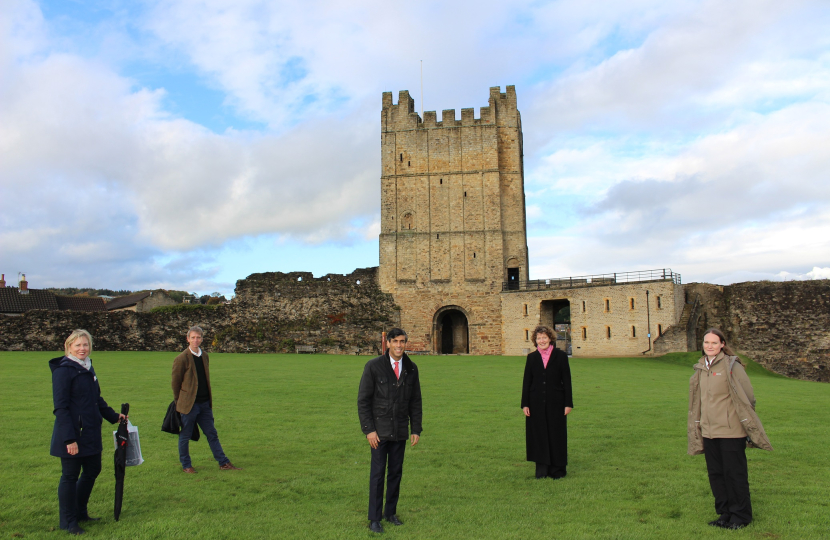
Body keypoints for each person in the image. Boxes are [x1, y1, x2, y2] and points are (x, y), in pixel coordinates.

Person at [688, 328, 772, 530]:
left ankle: (741, 516)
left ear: (722, 344)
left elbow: (749, 397)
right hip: (708, 431)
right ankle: (725, 513)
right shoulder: (700, 367)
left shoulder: (731, 366)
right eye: (706, 342)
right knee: (716, 475)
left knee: (735, 474)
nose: (709, 346)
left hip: (731, 430)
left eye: (714, 343)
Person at [50, 329, 127, 535]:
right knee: (70, 476)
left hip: (91, 432)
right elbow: (61, 408)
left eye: (85, 345)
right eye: (78, 345)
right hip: (73, 434)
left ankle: (80, 511)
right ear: (69, 347)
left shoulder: (88, 367)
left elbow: (96, 399)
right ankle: (68, 521)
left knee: (93, 470)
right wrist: (69, 439)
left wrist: (113, 416)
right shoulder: (63, 370)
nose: (82, 349)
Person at [357, 328, 423, 534]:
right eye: (395, 341)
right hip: (379, 430)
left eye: (402, 341)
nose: (399, 346)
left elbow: (415, 401)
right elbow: (363, 400)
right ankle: (374, 518)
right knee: (377, 475)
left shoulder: (411, 368)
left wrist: (416, 429)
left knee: (395, 473)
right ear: (388, 343)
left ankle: (390, 512)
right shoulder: (374, 366)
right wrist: (369, 430)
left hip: (400, 429)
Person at [171, 326, 241, 473]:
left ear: (202, 339)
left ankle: (223, 463)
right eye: (193, 337)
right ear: (188, 339)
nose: (196, 340)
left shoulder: (205, 356)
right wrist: (180, 402)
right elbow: (175, 383)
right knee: (185, 435)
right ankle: (186, 465)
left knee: (211, 433)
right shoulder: (181, 358)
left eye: (199, 337)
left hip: (204, 404)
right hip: (188, 404)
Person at [521, 325, 573, 479]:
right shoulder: (531, 358)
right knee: (539, 435)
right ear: (535, 341)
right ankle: (542, 470)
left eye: (544, 337)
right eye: (538, 338)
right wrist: (525, 404)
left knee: (556, 434)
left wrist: (568, 403)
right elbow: (527, 382)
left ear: (550, 338)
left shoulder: (560, 356)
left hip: (556, 402)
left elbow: (567, 381)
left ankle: (557, 470)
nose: (541, 340)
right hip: (535, 402)